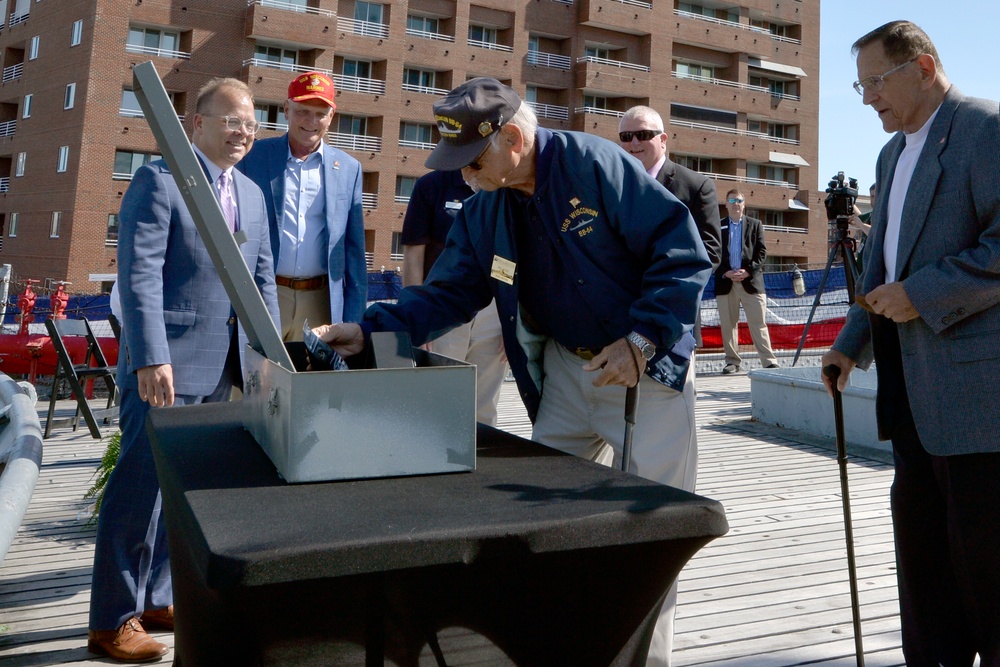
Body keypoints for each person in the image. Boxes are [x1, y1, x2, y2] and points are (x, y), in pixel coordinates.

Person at [315, 77, 711, 666]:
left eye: (472, 160)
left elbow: (680, 251)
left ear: (514, 140)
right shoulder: (482, 210)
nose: (463, 175)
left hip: (641, 373)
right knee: (545, 526)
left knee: (653, 533)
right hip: (563, 376)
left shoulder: (595, 163)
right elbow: (448, 293)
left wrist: (644, 339)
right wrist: (371, 331)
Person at [822, 20, 1000, 665]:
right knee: (923, 567)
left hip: (981, 403)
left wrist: (922, 294)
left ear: (923, 68)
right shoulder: (891, 153)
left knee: (989, 571)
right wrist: (849, 343)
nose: (867, 97)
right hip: (910, 395)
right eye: (860, 83)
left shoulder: (987, 130)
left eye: (876, 81)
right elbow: (880, 270)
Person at [88, 78, 280, 663]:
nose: (242, 132)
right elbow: (138, 274)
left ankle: (158, 598)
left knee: (190, 491)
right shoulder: (160, 179)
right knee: (140, 488)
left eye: (250, 123)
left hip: (226, 370)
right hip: (165, 367)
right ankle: (112, 620)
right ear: (197, 123)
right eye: (231, 121)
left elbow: (262, 280)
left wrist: (266, 359)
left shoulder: (251, 192)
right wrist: (149, 355)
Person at [238, 71, 366, 339]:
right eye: (303, 111)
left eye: (320, 113)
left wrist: (355, 321)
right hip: (265, 293)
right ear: (286, 109)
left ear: (332, 116)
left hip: (321, 302)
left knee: (309, 379)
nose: (311, 121)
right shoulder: (253, 157)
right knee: (257, 377)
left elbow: (354, 252)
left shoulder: (349, 169)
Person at [401, 169, 508, 426]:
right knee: (438, 398)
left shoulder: (504, 184)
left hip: (493, 310)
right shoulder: (432, 185)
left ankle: (480, 461)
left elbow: (509, 254)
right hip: (442, 307)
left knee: (484, 404)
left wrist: (510, 316)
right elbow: (414, 255)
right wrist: (418, 317)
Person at [617, 106, 721, 271]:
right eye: (626, 136)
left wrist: (668, 290)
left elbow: (709, 253)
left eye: (643, 135)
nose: (634, 142)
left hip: (669, 292)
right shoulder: (611, 184)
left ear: (663, 140)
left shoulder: (696, 187)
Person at [715, 188, 779, 374]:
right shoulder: (717, 226)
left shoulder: (755, 224)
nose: (736, 204)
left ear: (744, 204)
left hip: (751, 283)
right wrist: (725, 272)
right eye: (732, 201)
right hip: (726, 284)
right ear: (726, 204)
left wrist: (748, 271)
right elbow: (713, 253)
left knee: (759, 324)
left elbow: (762, 252)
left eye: (739, 201)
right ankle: (732, 362)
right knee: (728, 325)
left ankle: (768, 362)